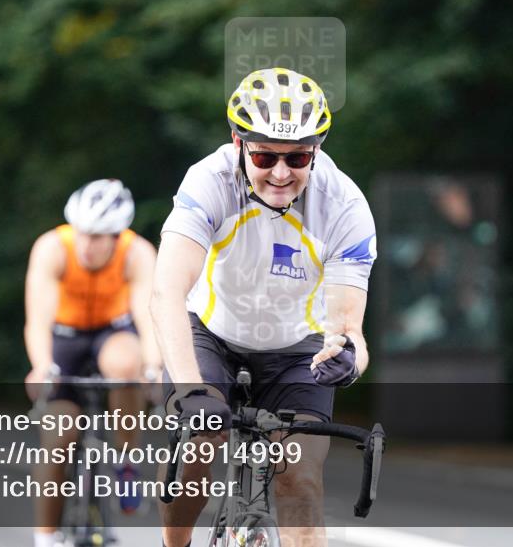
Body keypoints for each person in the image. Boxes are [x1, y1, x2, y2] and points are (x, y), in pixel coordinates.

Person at [151, 68, 378, 547]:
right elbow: (166, 293)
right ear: (237, 142)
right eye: (264, 155)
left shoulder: (345, 207)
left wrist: (346, 359)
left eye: (297, 157)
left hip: (297, 350)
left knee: (301, 478)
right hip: (210, 331)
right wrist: (192, 391)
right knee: (201, 440)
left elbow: (349, 331)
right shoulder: (208, 181)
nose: (280, 172)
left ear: (316, 151)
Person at [23, 179, 162, 547]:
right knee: (59, 438)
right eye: (83, 233)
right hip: (64, 341)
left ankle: (126, 462)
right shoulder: (53, 247)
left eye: (100, 236)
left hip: (111, 333)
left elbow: (149, 317)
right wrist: (41, 367)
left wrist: (153, 366)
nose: (88, 244)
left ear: (118, 235)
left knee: (127, 362)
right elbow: (37, 320)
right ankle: (45, 536)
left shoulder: (137, 253)